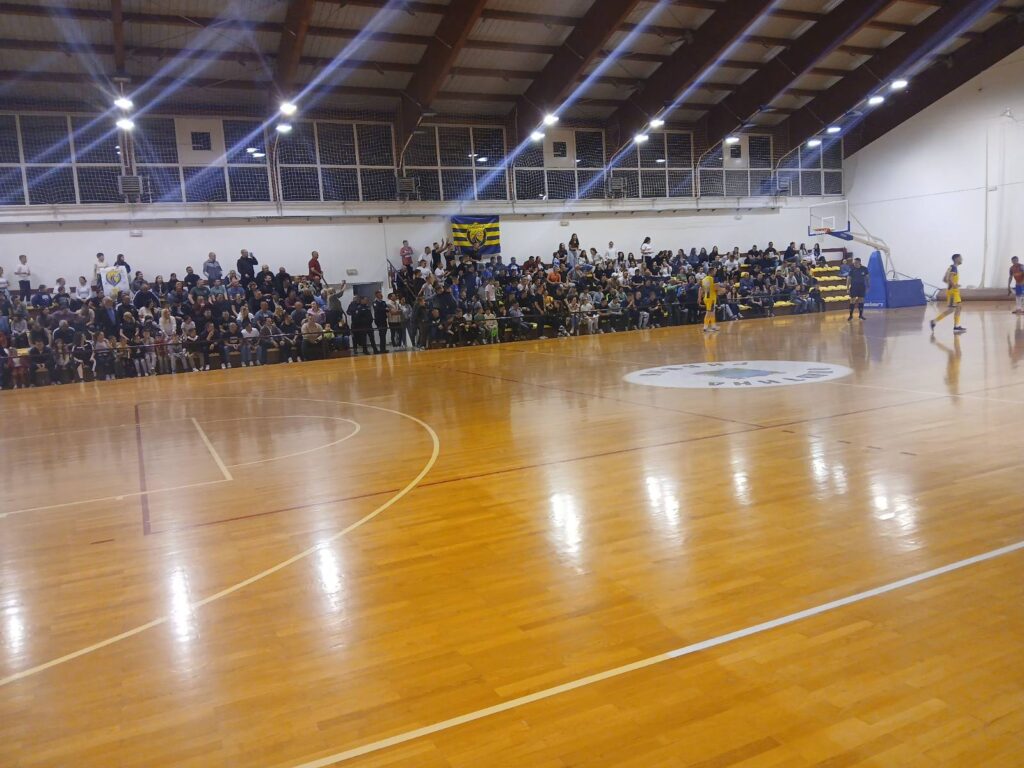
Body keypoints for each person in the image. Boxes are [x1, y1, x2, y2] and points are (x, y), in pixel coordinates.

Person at [930, 253, 966, 334]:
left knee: (957, 308)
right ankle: (936, 322)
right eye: (960, 258)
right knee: (953, 309)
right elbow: (949, 279)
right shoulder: (954, 268)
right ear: (956, 259)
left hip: (953, 292)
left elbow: (944, 279)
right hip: (953, 292)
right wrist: (954, 285)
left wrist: (952, 284)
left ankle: (955, 326)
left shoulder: (950, 267)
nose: (962, 259)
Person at [847, 256, 870, 321]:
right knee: (852, 300)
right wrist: (847, 288)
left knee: (861, 300)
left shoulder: (864, 269)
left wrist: (868, 286)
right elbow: (848, 279)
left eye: (856, 263)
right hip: (854, 287)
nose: (854, 264)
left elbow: (867, 278)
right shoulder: (851, 269)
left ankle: (860, 316)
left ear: (859, 262)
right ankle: (851, 316)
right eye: (854, 263)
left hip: (861, 287)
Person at [698, 269, 718, 333]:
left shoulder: (704, 279)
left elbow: (700, 288)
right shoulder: (711, 279)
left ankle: (713, 326)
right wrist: (722, 289)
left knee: (712, 312)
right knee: (709, 313)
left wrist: (699, 298)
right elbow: (715, 288)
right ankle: (705, 327)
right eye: (714, 271)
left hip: (707, 297)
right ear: (711, 272)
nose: (715, 273)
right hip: (711, 298)